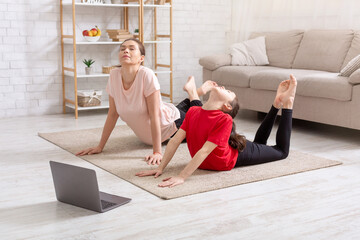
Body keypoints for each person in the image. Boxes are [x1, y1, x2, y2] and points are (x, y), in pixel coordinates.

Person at [135, 74, 297, 188]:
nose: (224, 87)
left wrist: (181, 176)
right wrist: (160, 168)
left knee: (281, 152)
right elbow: (176, 140)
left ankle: (287, 104)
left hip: (233, 157)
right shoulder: (193, 112)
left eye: (228, 92)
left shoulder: (225, 119)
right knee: (259, 145)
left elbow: (205, 151)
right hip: (216, 155)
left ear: (227, 106)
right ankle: (277, 103)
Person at [76, 38, 217, 165]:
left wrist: (157, 151)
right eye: (122, 48)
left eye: (131, 48)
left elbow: (154, 115)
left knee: (202, 120)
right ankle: (195, 92)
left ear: (141, 58)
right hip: (163, 114)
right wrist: (100, 146)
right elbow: (112, 114)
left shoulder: (146, 75)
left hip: (172, 125)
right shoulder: (114, 75)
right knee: (170, 108)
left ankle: (194, 93)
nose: (125, 50)